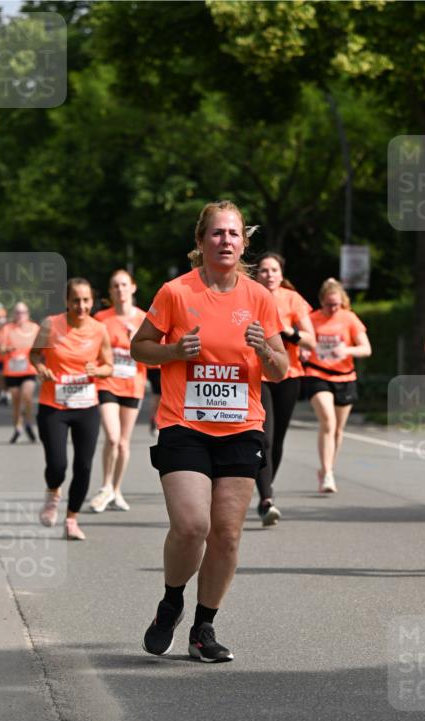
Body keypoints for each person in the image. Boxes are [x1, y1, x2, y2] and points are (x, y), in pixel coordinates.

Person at [131, 200, 287, 662]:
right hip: (184, 425)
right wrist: (175, 350)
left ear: (245, 243)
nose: (226, 241)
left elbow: (280, 370)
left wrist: (265, 352)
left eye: (234, 234)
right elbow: (139, 347)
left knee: (227, 534)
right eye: (217, 233)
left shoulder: (259, 297)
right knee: (192, 525)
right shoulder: (176, 292)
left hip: (241, 428)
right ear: (200, 242)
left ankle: (204, 628)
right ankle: (171, 602)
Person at [29, 278, 113, 540]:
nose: (81, 305)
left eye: (86, 300)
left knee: (84, 467)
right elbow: (34, 354)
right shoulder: (51, 325)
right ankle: (53, 492)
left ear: (92, 301)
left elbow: (109, 365)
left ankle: (72, 519)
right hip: (53, 404)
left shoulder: (99, 329)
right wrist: (41, 368)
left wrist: (97, 369)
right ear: (66, 301)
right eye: (75, 300)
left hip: (86, 405)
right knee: (57, 464)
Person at [254, 252, 316, 526]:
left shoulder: (293, 299)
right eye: (264, 270)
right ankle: (266, 498)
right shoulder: (249, 295)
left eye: (274, 270)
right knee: (264, 438)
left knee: (277, 440)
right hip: (257, 375)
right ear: (257, 274)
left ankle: (266, 488)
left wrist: (289, 332)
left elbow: (311, 341)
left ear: (281, 274)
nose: (269, 275)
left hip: (288, 374)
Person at [303, 278, 372, 493]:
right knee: (328, 421)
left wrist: (347, 351)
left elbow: (366, 349)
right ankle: (328, 474)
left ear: (342, 302)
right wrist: (302, 351)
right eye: (328, 304)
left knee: (338, 430)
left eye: (336, 304)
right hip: (317, 374)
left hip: (344, 377)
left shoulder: (350, 319)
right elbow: (301, 341)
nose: (332, 309)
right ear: (321, 301)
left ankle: (327, 469)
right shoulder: (312, 319)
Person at [88, 270, 147, 512]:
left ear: (133, 288)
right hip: (107, 382)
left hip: (133, 385)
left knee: (123, 443)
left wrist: (139, 343)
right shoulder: (101, 318)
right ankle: (105, 486)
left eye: (124, 285)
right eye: (115, 286)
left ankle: (116, 489)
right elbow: (90, 348)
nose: (120, 289)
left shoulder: (145, 319)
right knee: (112, 437)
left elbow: (156, 358)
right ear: (110, 292)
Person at [1, 302, 39, 443]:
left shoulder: (34, 328)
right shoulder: (7, 329)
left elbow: (41, 346)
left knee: (27, 395)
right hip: (12, 370)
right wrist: (8, 349)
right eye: (17, 312)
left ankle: (28, 422)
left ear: (27, 314)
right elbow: (1, 348)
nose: (20, 315)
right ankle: (18, 427)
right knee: (16, 400)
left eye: (22, 312)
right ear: (14, 314)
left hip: (29, 368)